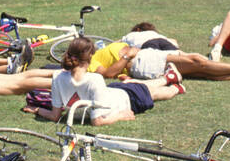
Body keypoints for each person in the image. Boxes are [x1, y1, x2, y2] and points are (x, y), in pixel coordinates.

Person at [36, 36, 182, 126]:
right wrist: (121, 116)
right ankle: (176, 87)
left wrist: (37, 110)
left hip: (112, 92)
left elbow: (55, 115)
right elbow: (98, 121)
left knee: (135, 86)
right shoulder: (94, 79)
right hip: (125, 100)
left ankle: (166, 78)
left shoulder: (57, 77)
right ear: (90, 56)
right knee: (152, 93)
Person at [92, 31, 230, 85]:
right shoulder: (91, 63)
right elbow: (107, 74)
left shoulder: (101, 50)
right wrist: (126, 55)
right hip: (141, 62)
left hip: (146, 57)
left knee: (200, 72)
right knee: (197, 61)